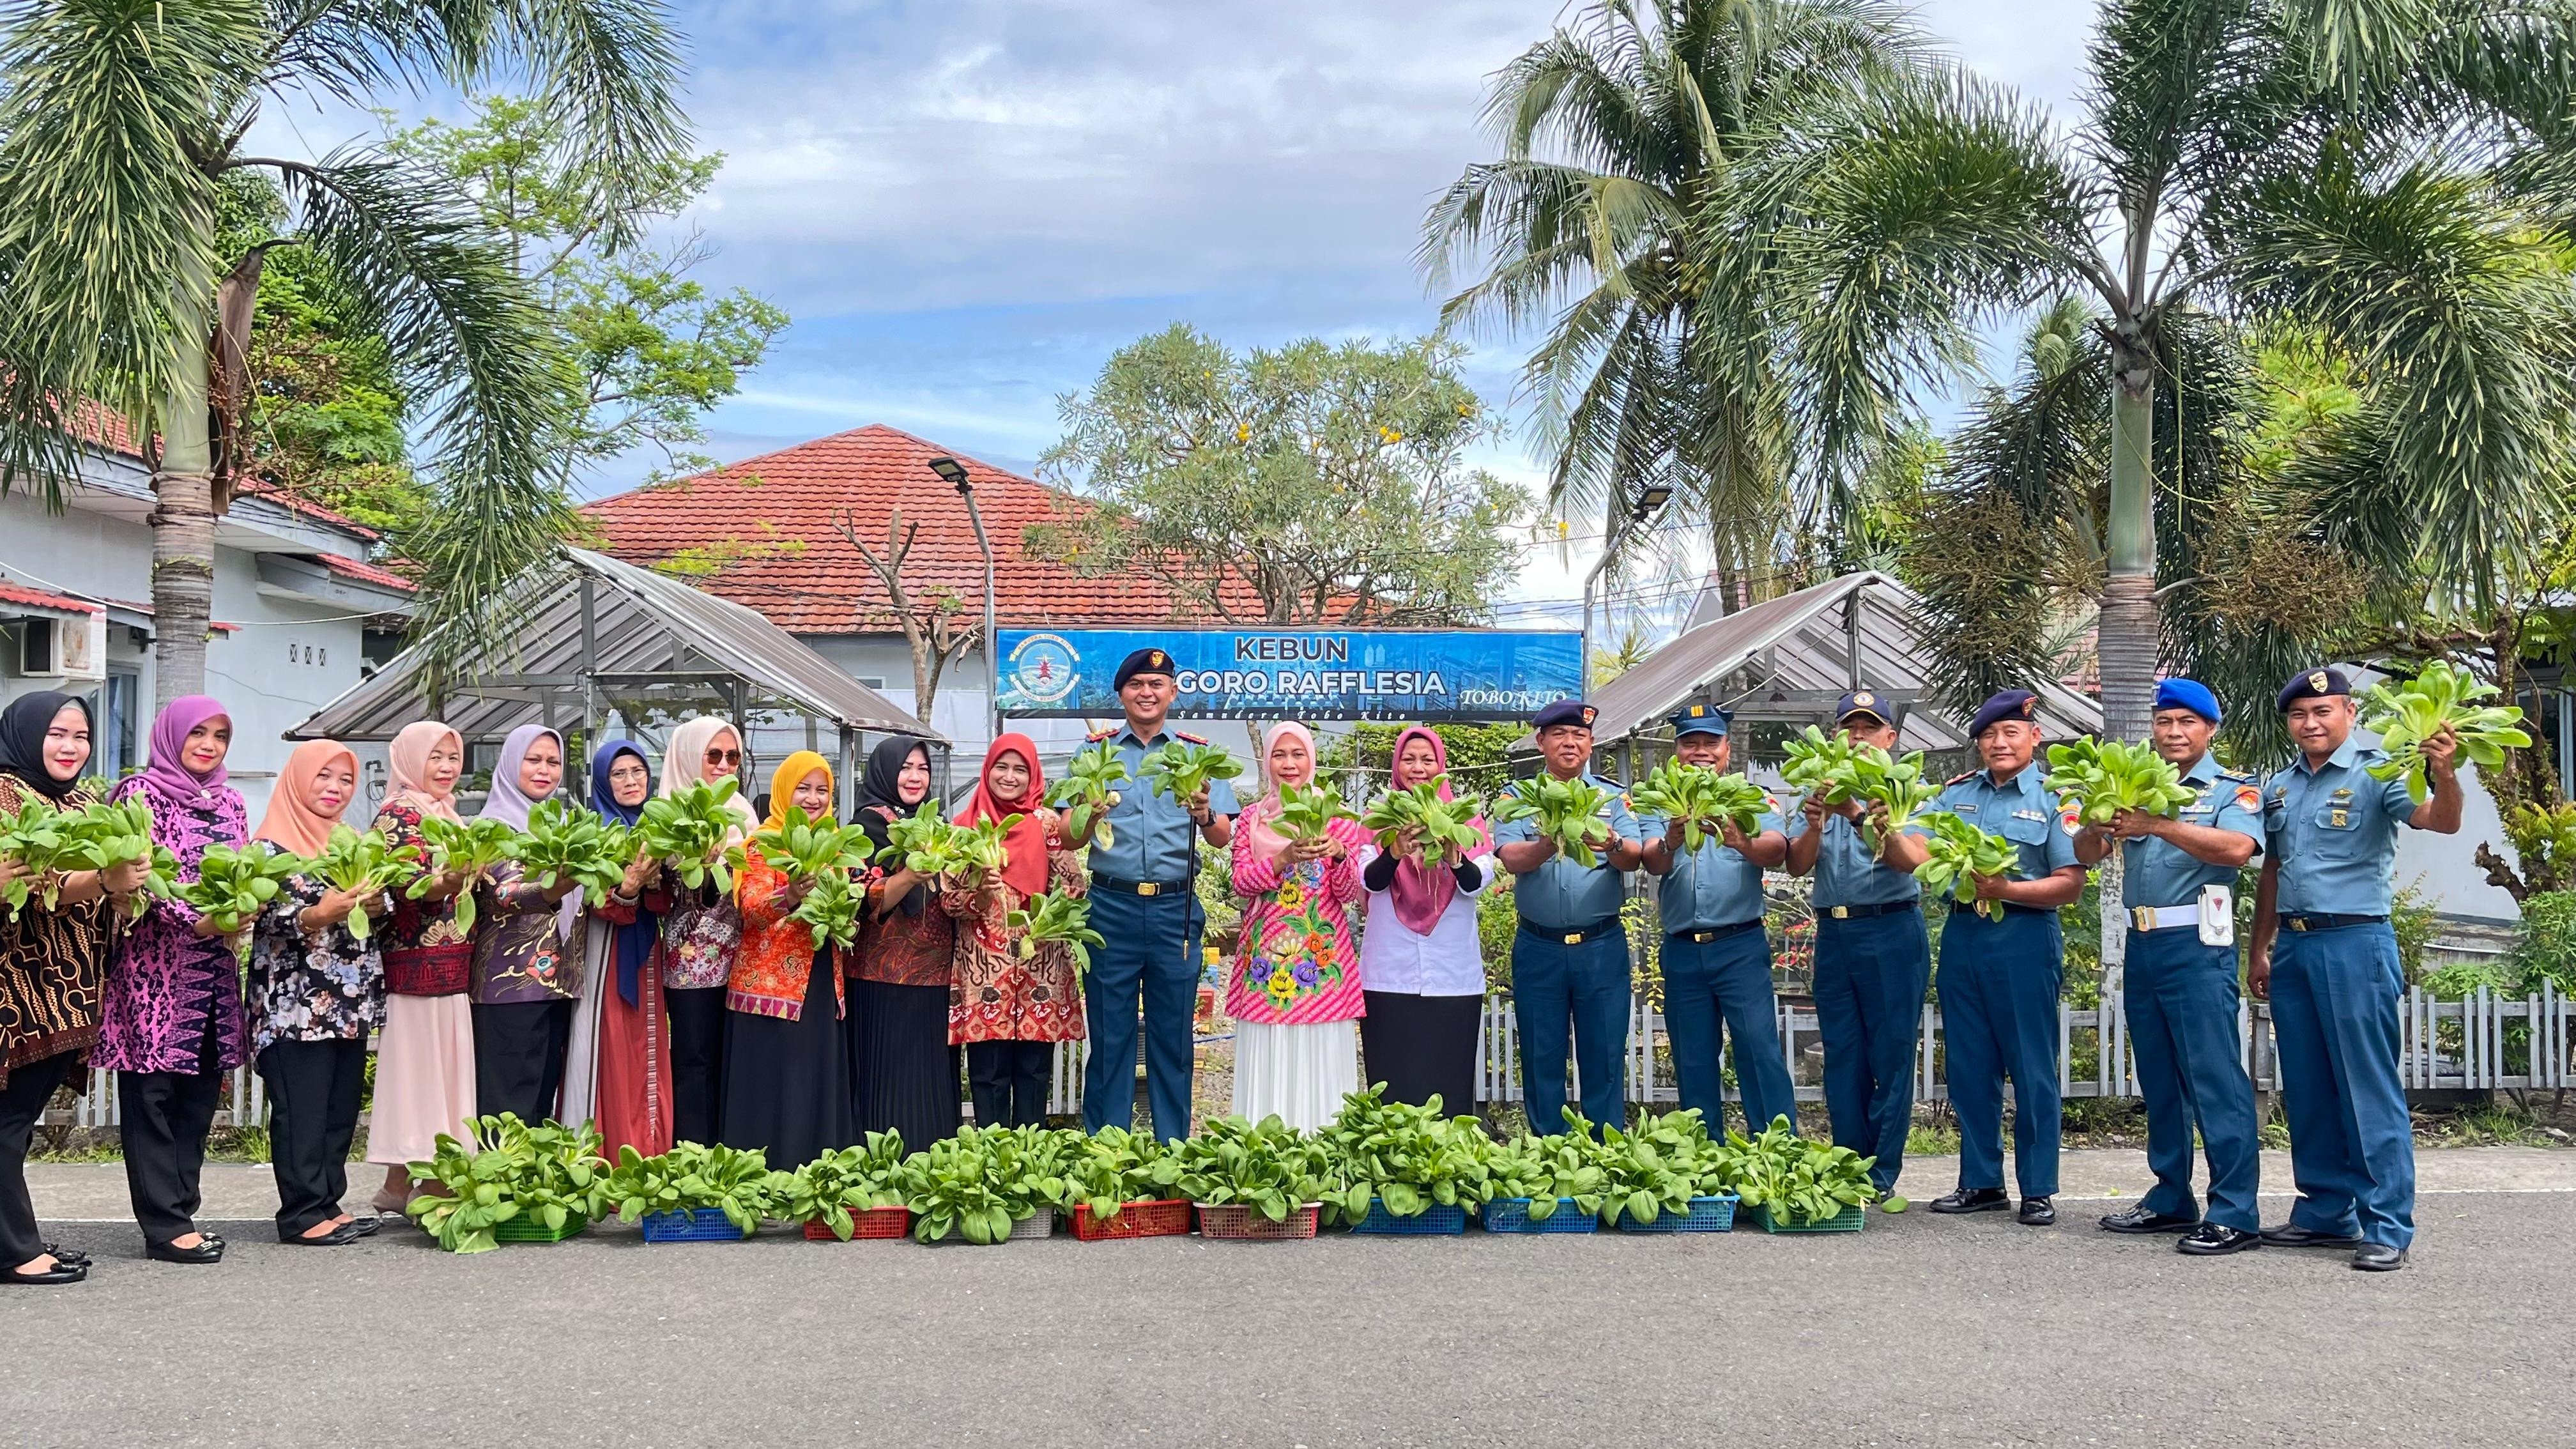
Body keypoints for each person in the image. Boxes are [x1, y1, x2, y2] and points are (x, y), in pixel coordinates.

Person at [2249, 666, 2463, 1273]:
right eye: (2299, 715)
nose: (2311, 723)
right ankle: (2325, 1212)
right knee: (2310, 1086)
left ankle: (2387, 1224)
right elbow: (2274, 870)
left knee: (2366, 1087)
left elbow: (2440, 821)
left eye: (2323, 712)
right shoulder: (2281, 787)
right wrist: (2259, 947)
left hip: (2355, 942)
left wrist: (2444, 775)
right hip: (2293, 946)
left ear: (2348, 713)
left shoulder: (2379, 769)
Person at [2071, 679, 2266, 1255]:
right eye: (2165, 722)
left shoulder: (2232, 789)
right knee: (2158, 1078)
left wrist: (2156, 824)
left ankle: (2235, 1210)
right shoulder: (2133, 786)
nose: (2174, 733)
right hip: (2143, 939)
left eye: (2187, 722)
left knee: (2213, 1077)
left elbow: (2237, 851)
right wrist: (2096, 824)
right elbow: (2086, 856)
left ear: (2210, 730)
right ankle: (2169, 1196)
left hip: (2197, 940)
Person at [1882, 689, 2085, 1225]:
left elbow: (2069, 886)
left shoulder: (2055, 798)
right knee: (1970, 1065)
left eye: (2010, 732)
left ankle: (2038, 1187)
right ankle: (1981, 1181)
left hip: (2024, 937)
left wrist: (2004, 891)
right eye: (1989, 735)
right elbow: (1914, 858)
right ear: (1978, 744)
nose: (1999, 742)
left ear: (2034, 737)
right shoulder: (1956, 796)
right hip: (1964, 935)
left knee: (2031, 1065)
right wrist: (1883, 826)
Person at [95, 696, 247, 1264]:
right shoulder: (141, 794)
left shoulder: (231, 801)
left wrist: (239, 912)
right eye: (198, 733)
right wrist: (201, 919)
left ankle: (182, 1206)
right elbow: (149, 877)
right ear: (172, 735)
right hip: (154, 971)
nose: (208, 745)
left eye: (220, 736)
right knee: (152, 1095)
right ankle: (164, 1223)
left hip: (211, 972)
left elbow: (241, 875)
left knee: (200, 1092)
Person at [0, 693, 142, 1285]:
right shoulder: (6, 795)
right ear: (28, 734)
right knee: (6, 1124)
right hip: (17, 992)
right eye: (58, 733)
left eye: (81, 736)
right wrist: (103, 878)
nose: (70, 746)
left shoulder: (85, 802)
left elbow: (114, 894)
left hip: (69, 990)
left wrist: (124, 889)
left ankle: (17, 1237)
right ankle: (14, 1251)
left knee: (17, 1123)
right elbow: (43, 885)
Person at [1073, 648, 1238, 1140]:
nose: (1147, 692)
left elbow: (1222, 835)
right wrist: (1092, 812)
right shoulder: (1094, 752)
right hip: (1111, 908)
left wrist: (1205, 811)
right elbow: (1066, 835)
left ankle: (1173, 1152)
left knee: (1173, 1039)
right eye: (1137, 684)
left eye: (1157, 684)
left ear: (1172, 693)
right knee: (1110, 1038)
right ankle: (1107, 1155)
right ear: (1121, 694)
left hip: (1175, 908)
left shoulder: (1195, 753)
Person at [1783, 691, 1931, 1199]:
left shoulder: (1910, 790)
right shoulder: (1818, 788)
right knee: (1842, 1054)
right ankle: (1850, 1162)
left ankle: (1882, 1173)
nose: (1860, 737)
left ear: (1891, 739)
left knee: (1889, 1054)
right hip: (1836, 932)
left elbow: (1911, 861)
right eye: (1851, 728)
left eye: (1871, 729)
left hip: (1891, 929)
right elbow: (1797, 866)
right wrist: (1813, 822)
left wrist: (1855, 814)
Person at [245, 739, 387, 1246]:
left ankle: (328, 1201)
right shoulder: (269, 847)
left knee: (337, 1108)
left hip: (347, 1002)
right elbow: (263, 920)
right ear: (298, 779)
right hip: (294, 1005)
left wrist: (373, 905)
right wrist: (318, 913)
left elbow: (380, 906)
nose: (335, 788)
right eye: (324, 776)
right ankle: (302, 1214)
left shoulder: (349, 840)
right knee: (302, 1110)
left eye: (345, 779)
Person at [1636, 705, 1797, 1137]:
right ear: (1678, 750)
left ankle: (1777, 1150)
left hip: (1739, 946)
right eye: (1691, 743)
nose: (1701, 752)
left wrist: (1740, 840)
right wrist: (1671, 838)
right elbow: (1651, 862)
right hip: (1683, 949)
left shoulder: (1750, 796)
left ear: (1727, 748)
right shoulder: (1660, 797)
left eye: (1711, 742)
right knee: (1693, 1058)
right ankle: (1707, 1156)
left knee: (1758, 1050)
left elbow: (1777, 849)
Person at [1492, 700, 1645, 1138]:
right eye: (1559, 734)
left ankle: (1604, 1153)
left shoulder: (1613, 797)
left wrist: (1613, 842)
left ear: (1591, 743)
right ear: (1540, 742)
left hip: (1601, 947)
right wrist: (1546, 842)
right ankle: (1549, 1154)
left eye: (1579, 735)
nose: (1570, 742)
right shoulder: (1518, 798)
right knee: (1542, 1055)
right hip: (1539, 947)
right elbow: (1510, 857)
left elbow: (1634, 857)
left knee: (1604, 1054)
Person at [1226, 723, 1367, 1130]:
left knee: (1319, 1056)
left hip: (1321, 964)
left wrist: (1340, 854)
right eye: (1279, 755)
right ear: (1267, 761)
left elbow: (1346, 892)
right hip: (1265, 965)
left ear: (1312, 759)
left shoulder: (1337, 818)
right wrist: (1283, 857)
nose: (1289, 764)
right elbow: (1241, 882)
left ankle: (1323, 1156)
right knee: (1267, 1055)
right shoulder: (1252, 819)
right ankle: (1263, 1162)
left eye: (1297, 754)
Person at [721, 751, 857, 1169]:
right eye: (803, 788)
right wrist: (792, 895)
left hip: (818, 982)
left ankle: (811, 1180)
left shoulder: (836, 846)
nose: (813, 799)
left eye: (822, 791)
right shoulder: (763, 843)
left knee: (809, 1080)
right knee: (770, 1085)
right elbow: (752, 909)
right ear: (783, 791)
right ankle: (760, 1181)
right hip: (769, 987)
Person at [944, 733, 1087, 1129]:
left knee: (1034, 1073)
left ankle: (1030, 1161)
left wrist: (1050, 914)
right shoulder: (965, 828)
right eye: (1002, 768)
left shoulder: (1046, 825)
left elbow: (1075, 886)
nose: (1010, 777)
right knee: (988, 1076)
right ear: (987, 771)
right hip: (983, 970)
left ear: (1033, 775)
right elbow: (947, 901)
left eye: (1020, 769)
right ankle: (991, 1163)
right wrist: (979, 893)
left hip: (1040, 965)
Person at [367, 721, 479, 1211]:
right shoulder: (398, 813)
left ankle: (397, 1187)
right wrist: (449, 880)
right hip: (415, 966)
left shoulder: (449, 814)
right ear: (411, 759)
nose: (447, 768)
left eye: (453, 758)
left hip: (451, 965)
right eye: (436, 757)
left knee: (439, 1076)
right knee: (420, 1074)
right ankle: (429, 1181)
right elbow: (406, 886)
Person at [1356, 726, 1494, 1114]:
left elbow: (1477, 881)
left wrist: (1452, 854)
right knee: (1391, 1081)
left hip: (1453, 975)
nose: (1418, 768)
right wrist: (1396, 848)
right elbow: (1370, 878)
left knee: (1449, 1080)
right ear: (1396, 765)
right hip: (1389, 973)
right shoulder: (1377, 817)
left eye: (1427, 759)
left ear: (1441, 766)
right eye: (1409, 759)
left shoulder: (1467, 820)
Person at [560, 740, 673, 1159]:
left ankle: (648, 1151)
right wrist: (625, 889)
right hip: (606, 951)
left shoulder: (657, 829)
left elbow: (664, 901)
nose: (631, 781)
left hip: (645, 950)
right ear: (604, 782)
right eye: (619, 774)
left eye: (638, 772)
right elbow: (592, 900)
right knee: (608, 1043)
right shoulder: (593, 828)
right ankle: (605, 1155)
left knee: (646, 1044)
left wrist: (656, 884)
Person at [468, 724, 585, 1124]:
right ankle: (501, 1184)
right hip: (508, 985)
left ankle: (530, 1184)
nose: (544, 770)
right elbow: (504, 895)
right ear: (511, 763)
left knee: (540, 1102)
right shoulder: (493, 826)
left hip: (558, 983)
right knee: (507, 1105)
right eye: (533, 760)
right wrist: (561, 884)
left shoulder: (563, 825)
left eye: (553, 762)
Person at [850, 737, 960, 1147]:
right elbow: (861, 899)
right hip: (881, 979)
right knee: (886, 1085)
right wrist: (909, 875)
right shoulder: (864, 828)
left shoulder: (940, 829)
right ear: (884, 771)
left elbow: (954, 896)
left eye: (923, 769)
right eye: (905, 768)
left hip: (935, 979)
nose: (915, 777)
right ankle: (883, 1189)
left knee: (928, 1089)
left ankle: (932, 1185)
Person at [655, 716, 755, 1145]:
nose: (724, 765)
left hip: (744, 959)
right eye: (713, 755)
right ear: (689, 756)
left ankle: (733, 1157)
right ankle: (695, 1156)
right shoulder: (669, 813)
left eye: (732, 756)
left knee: (735, 1061)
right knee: (695, 1060)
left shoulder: (746, 815)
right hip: (691, 962)